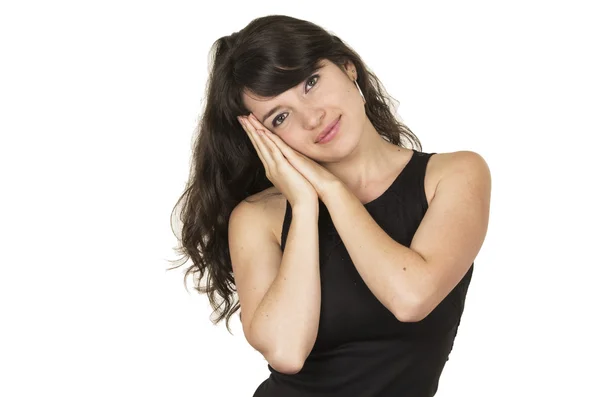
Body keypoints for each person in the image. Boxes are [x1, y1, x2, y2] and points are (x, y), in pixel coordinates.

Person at [169, 14, 491, 397]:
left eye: (311, 82)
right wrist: (304, 204)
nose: (312, 117)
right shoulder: (259, 218)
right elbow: (286, 351)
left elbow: (411, 298)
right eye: (281, 117)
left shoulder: (454, 175)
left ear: (347, 66)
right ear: (264, 139)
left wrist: (332, 189)